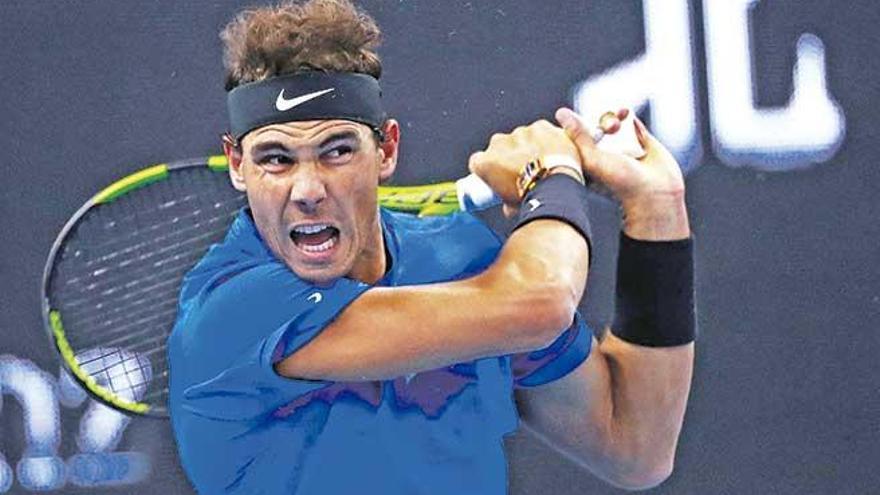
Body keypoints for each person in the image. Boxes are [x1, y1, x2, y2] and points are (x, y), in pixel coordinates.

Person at [167, 0, 695, 493]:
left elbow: (635, 446)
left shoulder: (460, 259)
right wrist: (550, 177)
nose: (307, 191)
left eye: (337, 151)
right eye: (276, 159)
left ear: (387, 149)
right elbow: (543, 303)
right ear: (238, 165)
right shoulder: (230, 311)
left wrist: (657, 207)